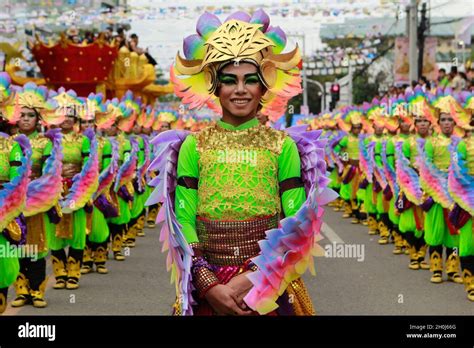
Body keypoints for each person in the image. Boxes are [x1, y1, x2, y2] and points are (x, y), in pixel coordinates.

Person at [151, 10, 332, 315]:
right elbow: (183, 217)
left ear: (264, 87)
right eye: (229, 80)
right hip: (207, 284)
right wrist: (208, 283)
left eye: (250, 80)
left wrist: (250, 279)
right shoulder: (192, 146)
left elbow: (297, 221)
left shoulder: (283, 146)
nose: (239, 89)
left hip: (267, 285)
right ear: (214, 85)